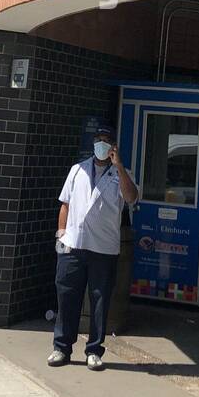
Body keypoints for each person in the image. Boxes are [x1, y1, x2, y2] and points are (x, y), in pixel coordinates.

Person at [48, 124, 137, 371]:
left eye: (106, 141)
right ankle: (61, 347)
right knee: (67, 296)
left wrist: (118, 166)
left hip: (103, 249)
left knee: (99, 300)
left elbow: (131, 198)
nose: (101, 144)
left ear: (113, 147)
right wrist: (61, 235)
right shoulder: (77, 170)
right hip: (73, 245)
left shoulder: (122, 174)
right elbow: (64, 204)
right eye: (98, 140)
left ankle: (94, 350)